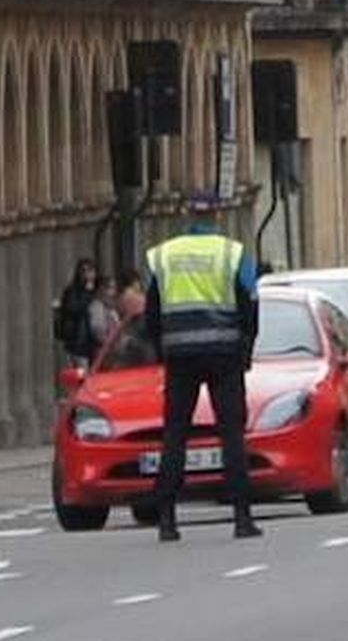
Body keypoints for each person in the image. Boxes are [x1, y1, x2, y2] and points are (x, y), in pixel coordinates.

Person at [145, 193, 262, 541]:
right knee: (231, 434)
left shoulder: (163, 256)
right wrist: (246, 350)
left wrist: (161, 350)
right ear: (217, 215)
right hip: (224, 354)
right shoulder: (234, 253)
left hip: (180, 356)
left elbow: (151, 312)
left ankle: (167, 520)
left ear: (187, 216)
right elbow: (250, 308)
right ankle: (242, 518)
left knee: (175, 434)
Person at [56, 258, 99, 367]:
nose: (86, 274)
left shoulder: (99, 288)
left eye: (89, 271)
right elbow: (72, 309)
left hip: (96, 341)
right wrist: (87, 294)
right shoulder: (72, 291)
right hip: (78, 341)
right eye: (83, 271)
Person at [86, 276, 121, 361]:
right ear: (101, 289)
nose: (113, 292)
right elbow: (97, 330)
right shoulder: (96, 307)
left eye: (114, 288)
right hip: (103, 354)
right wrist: (110, 342)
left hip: (114, 352)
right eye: (109, 288)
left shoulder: (110, 308)